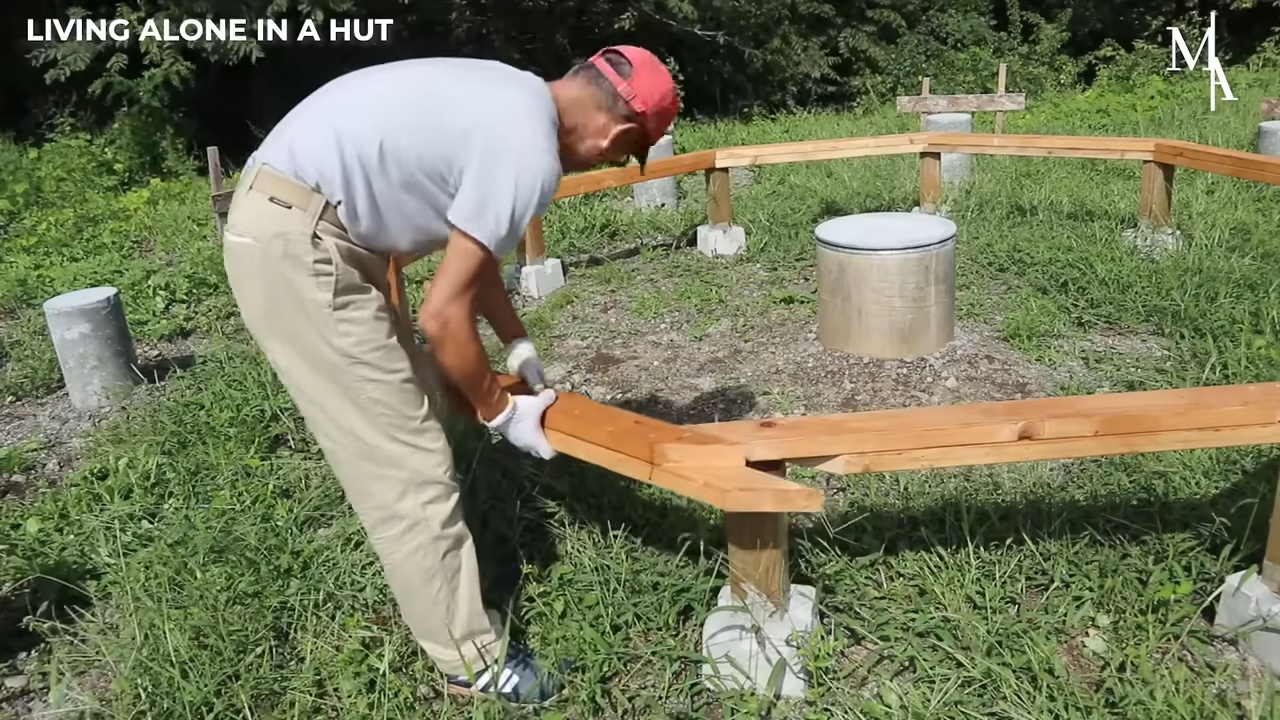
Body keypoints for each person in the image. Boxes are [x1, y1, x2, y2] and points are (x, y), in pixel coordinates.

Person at [218, 46, 678, 705]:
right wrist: (500, 412)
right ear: (620, 134)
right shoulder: (530, 151)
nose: (606, 162)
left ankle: (440, 591)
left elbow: (474, 254)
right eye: (619, 156)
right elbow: (441, 315)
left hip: (297, 219)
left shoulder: (512, 98)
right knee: (407, 467)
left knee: (419, 403)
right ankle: (471, 665)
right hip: (302, 246)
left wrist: (517, 346)